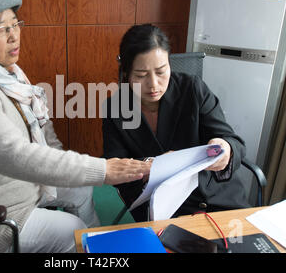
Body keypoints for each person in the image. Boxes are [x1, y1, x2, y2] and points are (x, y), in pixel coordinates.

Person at [0, 0, 150, 253]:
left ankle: (95, 246)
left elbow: (42, 134)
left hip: (16, 190)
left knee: (81, 189)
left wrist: (79, 173)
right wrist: (103, 170)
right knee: (70, 231)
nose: (14, 35)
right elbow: (18, 156)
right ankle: (82, 246)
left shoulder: (7, 74)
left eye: (14, 24)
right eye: (0, 29)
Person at [102, 24, 251, 222]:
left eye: (161, 71)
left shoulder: (193, 89)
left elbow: (233, 142)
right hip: (163, 208)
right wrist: (151, 168)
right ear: (126, 74)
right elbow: (114, 168)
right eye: (141, 75)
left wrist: (226, 148)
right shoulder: (116, 108)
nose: (153, 84)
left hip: (217, 198)